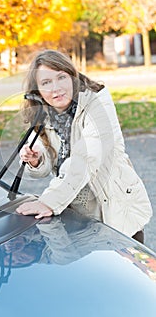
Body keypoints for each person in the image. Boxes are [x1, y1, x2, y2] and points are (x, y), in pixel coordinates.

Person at [16, 49, 152, 243]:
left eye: (61, 77)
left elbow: (86, 157)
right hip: (80, 219)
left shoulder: (97, 103)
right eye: (46, 82)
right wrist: (36, 160)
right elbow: (43, 169)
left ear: (73, 77)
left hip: (116, 211)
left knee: (127, 271)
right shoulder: (43, 114)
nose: (56, 88)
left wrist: (49, 201)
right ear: (37, 89)